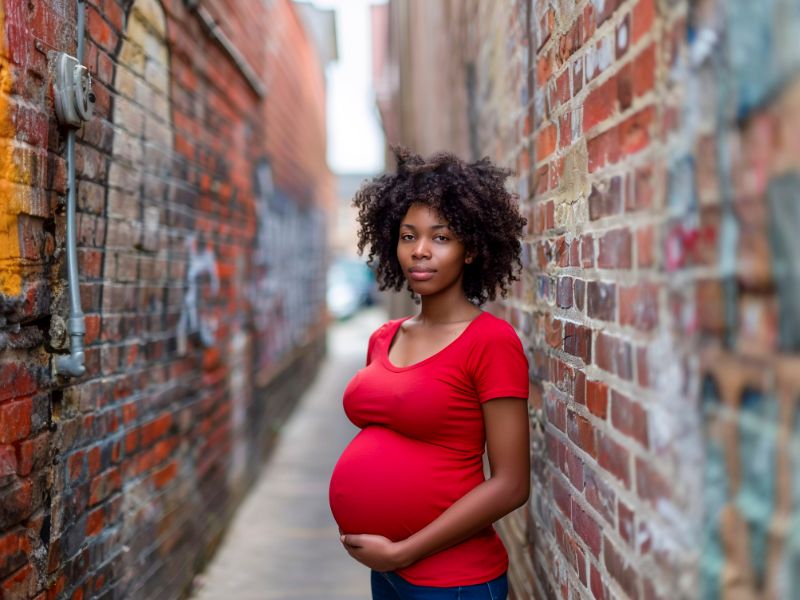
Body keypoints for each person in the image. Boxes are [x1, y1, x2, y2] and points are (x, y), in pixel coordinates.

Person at [328, 147, 530, 600]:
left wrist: (404, 551)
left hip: (453, 581)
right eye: (408, 236)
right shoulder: (384, 337)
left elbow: (512, 484)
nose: (420, 251)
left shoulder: (491, 342)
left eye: (440, 238)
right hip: (387, 575)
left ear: (472, 249)